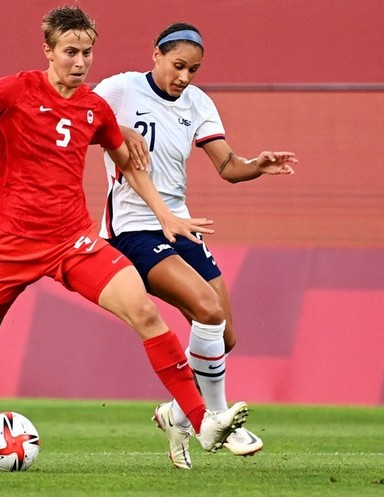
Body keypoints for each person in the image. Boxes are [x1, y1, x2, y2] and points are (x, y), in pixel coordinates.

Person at [0, 6, 250, 456]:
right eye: (70, 51)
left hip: (74, 241)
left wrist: (164, 213)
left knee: (145, 314)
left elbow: (128, 162)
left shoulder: (95, 107)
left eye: (87, 52)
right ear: (48, 51)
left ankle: (201, 421)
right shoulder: (15, 90)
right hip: (11, 244)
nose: (80, 62)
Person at [94, 22, 297, 469]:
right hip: (134, 228)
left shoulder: (198, 103)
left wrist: (255, 165)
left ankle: (178, 415)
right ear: (156, 54)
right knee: (207, 309)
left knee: (224, 335)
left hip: (181, 226)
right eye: (178, 65)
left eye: (194, 69)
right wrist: (115, 130)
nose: (184, 76)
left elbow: (226, 165)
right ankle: (219, 418)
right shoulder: (121, 89)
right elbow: (81, 117)